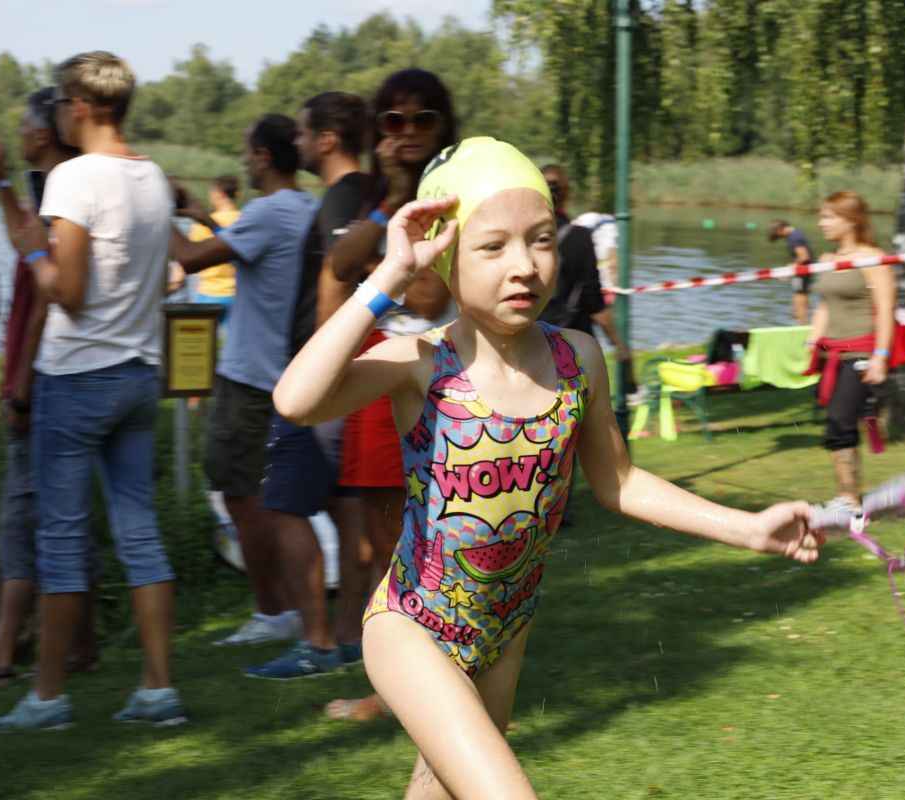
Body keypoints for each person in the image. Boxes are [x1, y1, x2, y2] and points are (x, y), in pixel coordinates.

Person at [274, 136, 821, 798]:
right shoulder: (422, 362)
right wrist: (390, 276)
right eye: (492, 247)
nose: (524, 266)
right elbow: (296, 400)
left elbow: (619, 482)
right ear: (446, 259)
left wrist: (748, 527)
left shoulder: (578, 360)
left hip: (505, 628)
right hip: (412, 626)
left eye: (540, 240)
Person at [0, 51, 185, 731]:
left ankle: (47, 699)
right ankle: (158, 690)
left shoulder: (72, 178)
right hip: (139, 373)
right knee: (141, 533)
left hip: (76, 379)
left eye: (60, 104)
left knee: (62, 540)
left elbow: (65, 293)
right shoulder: (152, 177)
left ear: (77, 106)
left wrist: (34, 250)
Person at [0, 89, 103, 691]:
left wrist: (22, 389)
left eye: (25, 125)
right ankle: (82, 645)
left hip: (44, 379)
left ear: (41, 133)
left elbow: (43, 306)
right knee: (61, 515)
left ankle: (0, 655)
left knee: (21, 519)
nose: (20, 132)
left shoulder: (64, 197)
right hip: (67, 376)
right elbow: (24, 243)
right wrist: (3, 181)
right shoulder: (61, 191)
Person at [320, 68, 456, 717]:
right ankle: (400, 686)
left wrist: (402, 221)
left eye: (422, 119)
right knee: (385, 544)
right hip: (382, 378)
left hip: (435, 378)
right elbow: (339, 263)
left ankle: (406, 690)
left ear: (444, 126)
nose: (407, 132)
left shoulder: (453, 195)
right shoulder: (387, 195)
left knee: (421, 545)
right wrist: (392, 200)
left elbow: (425, 294)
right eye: (392, 121)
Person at [239, 92, 374, 680]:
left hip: (322, 378)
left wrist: (317, 370)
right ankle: (348, 638)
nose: (296, 144)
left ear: (326, 139)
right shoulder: (361, 195)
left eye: (302, 133)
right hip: (345, 375)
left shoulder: (344, 197)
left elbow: (341, 285)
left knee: (283, 506)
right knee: (347, 509)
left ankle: (316, 643)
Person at [170, 115, 318, 653]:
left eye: (246, 152)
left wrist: (156, 211)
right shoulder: (306, 207)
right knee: (275, 500)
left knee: (241, 497)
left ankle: (274, 612)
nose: (243, 161)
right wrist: (200, 215)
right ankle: (295, 611)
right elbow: (252, 247)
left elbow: (188, 259)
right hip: (289, 375)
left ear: (263, 157)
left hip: (250, 380)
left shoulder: (267, 210)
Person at [803, 192, 894, 507]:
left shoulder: (873, 257)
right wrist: (812, 341)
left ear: (851, 220)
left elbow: (885, 310)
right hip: (832, 353)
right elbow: (824, 306)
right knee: (835, 421)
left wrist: (881, 356)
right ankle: (847, 495)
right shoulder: (827, 259)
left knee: (840, 420)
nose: (822, 223)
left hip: (862, 351)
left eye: (829, 217)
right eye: (822, 216)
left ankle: (848, 498)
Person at [538, 165, 633, 377]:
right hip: (572, 344)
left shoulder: (522, 236)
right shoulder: (579, 238)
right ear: (567, 194)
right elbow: (593, 302)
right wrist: (619, 345)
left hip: (530, 342)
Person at [189, 174, 240, 321]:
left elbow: (192, 259)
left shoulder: (202, 225)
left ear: (219, 193)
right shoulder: (245, 220)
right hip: (238, 295)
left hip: (209, 293)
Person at [769, 220, 816, 325]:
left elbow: (804, 256)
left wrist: (788, 270)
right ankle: (803, 324)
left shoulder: (794, 237)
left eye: (778, 235)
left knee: (798, 302)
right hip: (804, 272)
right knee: (800, 301)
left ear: (780, 229)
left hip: (803, 273)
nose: (779, 238)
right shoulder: (795, 234)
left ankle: (802, 326)